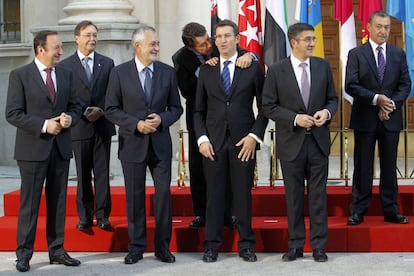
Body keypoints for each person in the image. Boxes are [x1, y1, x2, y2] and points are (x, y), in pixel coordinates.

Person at [105, 24, 183, 264]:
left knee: (163, 196)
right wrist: (135, 124)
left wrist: (162, 119)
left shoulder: (167, 72)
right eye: (153, 44)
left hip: (160, 145)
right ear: (137, 46)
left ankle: (162, 247)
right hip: (132, 144)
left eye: (158, 44)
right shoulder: (119, 73)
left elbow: (176, 108)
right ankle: (136, 247)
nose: (157, 48)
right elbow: (111, 109)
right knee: (135, 198)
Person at [5, 30, 82, 272]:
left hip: (60, 149)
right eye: (56, 47)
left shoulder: (67, 75)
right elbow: (13, 113)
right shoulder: (20, 75)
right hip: (32, 150)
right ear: (41, 50)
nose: (61, 51)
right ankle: (24, 254)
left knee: (58, 202)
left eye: (61, 47)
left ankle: (57, 250)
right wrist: (44, 125)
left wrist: (71, 117)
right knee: (30, 204)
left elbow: (76, 105)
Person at [262, 23, 338, 262]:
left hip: (318, 142)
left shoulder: (322, 66)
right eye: (307, 39)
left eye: (313, 39)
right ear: (294, 42)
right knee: (293, 197)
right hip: (291, 143)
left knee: (318, 196)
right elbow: (268, 106)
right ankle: (295, 245)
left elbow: (332, 99)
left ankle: (318, 246)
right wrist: (295, 118)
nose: (312, 43)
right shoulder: (276, 70)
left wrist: (326, 113)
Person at [193, 20, 268, 263]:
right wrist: (202, 139)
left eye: (227, 36)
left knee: (242, 195)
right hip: (212, 143)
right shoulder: (206, 69)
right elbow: (198, 111)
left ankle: (246, 244)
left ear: (237, 38)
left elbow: (264, 107)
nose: (222, 40)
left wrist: (254, 137)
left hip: (243, 142)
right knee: (214, 195)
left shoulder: (251, 67)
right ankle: (211, 246)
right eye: (218, 37)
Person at [172, 22, 254, 229]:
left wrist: (250, 56)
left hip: (227, 117)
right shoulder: (181, 58)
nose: (209, 45)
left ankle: (229, 213)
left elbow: (246, 54)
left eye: (208, 39)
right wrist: (204, 70)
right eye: (202, 45)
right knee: (199, 166)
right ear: (191, 47)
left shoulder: (219, 43)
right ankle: (201, 213)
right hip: (199, 116)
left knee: (227, 165)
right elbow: (187, 90)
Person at [345, 11, 411, 226]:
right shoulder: (356, 54)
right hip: (365, 118)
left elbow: (405, 84)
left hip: (390, 119)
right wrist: (376, 99)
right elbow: (351, 85)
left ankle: (391, 210)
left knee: (390, 166)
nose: (383, 31)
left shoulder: (398, 54)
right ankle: (358, 210)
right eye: (379, 26)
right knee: (363, 166)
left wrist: (389, 104)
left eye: (387, 27)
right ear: (369, 28)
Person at [59, 20, 116, 231]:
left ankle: (102, 215)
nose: (92, 39)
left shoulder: (107, 63)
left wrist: (100, 109)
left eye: (94, 34)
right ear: (77, 38)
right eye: (87, 35)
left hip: (102, 124)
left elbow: (112, 92)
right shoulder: (66, 65)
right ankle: (85, 216)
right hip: (80, 126)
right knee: (83, 174)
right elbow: (66, 95)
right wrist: (83, 111)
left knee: (102, 172)